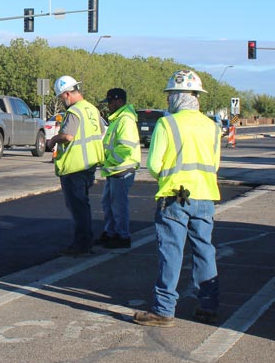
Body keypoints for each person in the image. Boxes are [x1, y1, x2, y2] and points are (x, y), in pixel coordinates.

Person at [134, 70, 223, 327]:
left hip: (174, 196)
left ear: (177, 96)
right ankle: (208, 306)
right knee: (204, 250)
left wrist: (167, 175)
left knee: (171, 251)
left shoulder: (167, 123)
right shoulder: (213, 127)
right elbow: (214, 164)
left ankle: (163, 310)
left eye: (171, 95)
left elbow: (154, 164)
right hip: (205, 196)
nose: (168, 100)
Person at [44, 75, 105, 256]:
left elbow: (68, 136)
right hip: (89, 165)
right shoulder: (92, 109)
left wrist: (54, 139)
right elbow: (101, 131)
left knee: (78, 209)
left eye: (61, 98)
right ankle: (84, 242)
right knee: (83, 206)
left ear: (67, 94)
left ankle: (82, 245)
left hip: (74, 167)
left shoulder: (74, 112)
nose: (62, 101)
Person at [98, 87, 140, 249]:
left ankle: (122, 236)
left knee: (118, 205)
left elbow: (125, 148)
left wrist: (107, 159)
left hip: (122, 169)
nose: (108, 105)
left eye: (110, 102)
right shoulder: (118, 119)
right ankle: (111, 233)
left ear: (119, 101)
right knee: (108, 203)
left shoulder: (125, 120)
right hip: (114, 169)